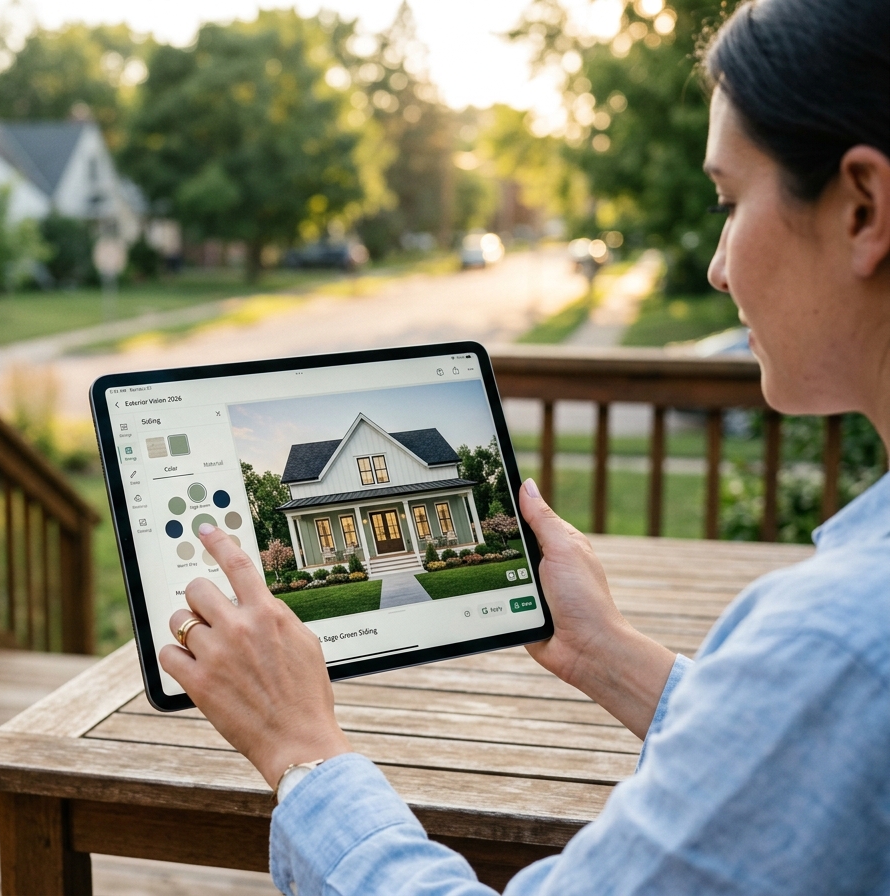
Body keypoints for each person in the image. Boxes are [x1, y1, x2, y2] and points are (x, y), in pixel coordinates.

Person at [158, 0, 890, 891]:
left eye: (731, 201)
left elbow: (830, 696)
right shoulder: (841, 664)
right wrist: (606, 651)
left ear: (863, 208)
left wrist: (302, 750)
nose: (718, 265)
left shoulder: (843, 639)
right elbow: (809, 754)